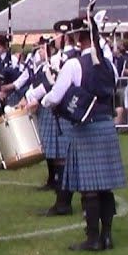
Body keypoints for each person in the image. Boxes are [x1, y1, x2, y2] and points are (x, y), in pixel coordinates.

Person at [36, 17, 126, 251]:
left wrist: (44, 101)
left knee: (89, 188)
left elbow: (55, 96)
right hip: (106, 126)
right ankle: (107, 236)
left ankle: (93, 239)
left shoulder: (74, 65)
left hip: (86, 129)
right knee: (105, 186)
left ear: (78, 36)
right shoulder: (109, 65)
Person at [26, 21, 81, 215]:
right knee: (61, 156)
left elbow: (52, 86)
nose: (55, 39)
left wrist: (38, 99)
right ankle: (62, 200)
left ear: (64, 36)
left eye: (57, 34)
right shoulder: (77, 57)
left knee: (61, 157)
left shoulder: (65, 59)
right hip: (73, 111)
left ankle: (63, 203)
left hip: (61, 111)